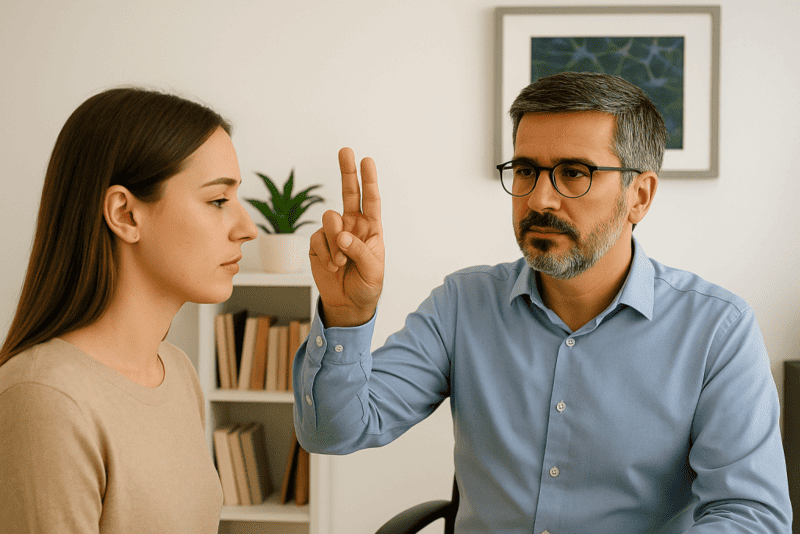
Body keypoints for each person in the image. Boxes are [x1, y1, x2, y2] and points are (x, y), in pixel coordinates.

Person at [294, 72, 792, 532]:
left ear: (639, 195)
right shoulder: (463, 304)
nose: (538, 200)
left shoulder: (715, 330)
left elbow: (751, 513)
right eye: (526, 170)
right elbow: (333, 433)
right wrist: (346, 315)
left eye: (573, 173)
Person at [0, 87, 258, 532]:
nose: (247, 228)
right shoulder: (45, 401)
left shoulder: (175, 371)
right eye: (218, 200)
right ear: (125, 214)